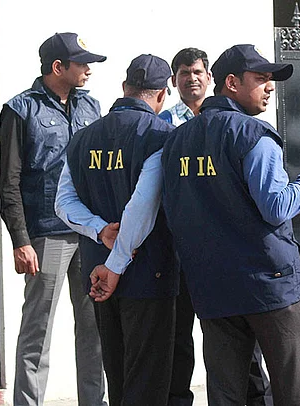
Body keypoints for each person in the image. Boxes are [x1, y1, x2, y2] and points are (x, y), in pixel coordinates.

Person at [161, 44, 300, 406]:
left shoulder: (176, 141)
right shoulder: (252, 134)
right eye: (262, 78)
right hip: (270, 285)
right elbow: (277, 206)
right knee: (293, 391)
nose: (270, 87)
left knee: (227, 394)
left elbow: (173, 213)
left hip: (213, 288)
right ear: (232, 83)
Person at [55, 54, 179, 406]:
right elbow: (142, 207)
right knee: (147, 383)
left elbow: (63, 202)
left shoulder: (83, 137)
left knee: (118, 376)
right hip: (146, 274)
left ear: (125, 88)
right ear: (162, 94)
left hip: (98, 275)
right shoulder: (161, 136)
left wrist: (100, 231)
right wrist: (117, 261)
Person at [159, 47, 272, 406]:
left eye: (197, 72)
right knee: (181, 336)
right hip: (183, 246)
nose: (191, 79)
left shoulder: (237, 123)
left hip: (231, 251)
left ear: (210, 78)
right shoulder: (164, 126)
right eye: (183, 73)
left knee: (243, 341)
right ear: (174, 81)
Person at [0, 32, 106, 406]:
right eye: (82, 63)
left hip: (90, 232)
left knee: (94, 329)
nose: (88, 70)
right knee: (37, 330)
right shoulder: (21, 110)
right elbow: (8, 181)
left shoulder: (91, 107)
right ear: (58, 67)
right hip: (46, 234)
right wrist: (21, 240)